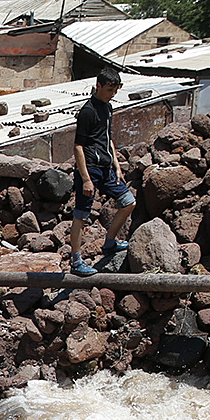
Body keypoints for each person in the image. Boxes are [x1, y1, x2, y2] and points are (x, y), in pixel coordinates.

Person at [66, 68, 136, 277]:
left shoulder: (108, 108)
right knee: (81, 215)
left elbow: (107, 138)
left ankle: (110, 242)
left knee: (129, 202)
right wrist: (86, 179)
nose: (112, 93)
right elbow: (78, 146)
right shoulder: (88, 111)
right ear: (99, 86)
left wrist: (116, 164)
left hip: (106, 169)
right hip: (90, 170)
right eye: (109, 89)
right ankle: (76, 261)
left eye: (115, 89)